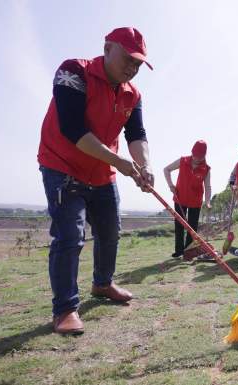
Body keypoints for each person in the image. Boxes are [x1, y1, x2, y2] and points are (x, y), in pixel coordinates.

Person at [37, 27, 154, 335]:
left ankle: (102, 284)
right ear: (107, 48)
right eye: (128, 59)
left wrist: (144, 165)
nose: (132, 67)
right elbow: (73, 130)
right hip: (62, 165)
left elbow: (136, 134)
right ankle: (64, 309)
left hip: (102, 171)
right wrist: (122, 164)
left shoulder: (133, 93)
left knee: (110, 232)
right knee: (70, 237)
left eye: (138, 64)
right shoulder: (73, 71)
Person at [163, 140, 212, 259]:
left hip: (195, 201)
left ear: (204, 155)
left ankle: (188, 252)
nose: (196, 158)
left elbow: (207, 186)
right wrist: (171, 185)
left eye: (199, 157)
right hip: (180, 199)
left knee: (192, 228)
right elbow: (166, 169)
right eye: (195, 155)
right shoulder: (183, 161)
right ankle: (179, 251)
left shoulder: (206, 168)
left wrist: (208, 201)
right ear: (192, 152)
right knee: (179, 225)